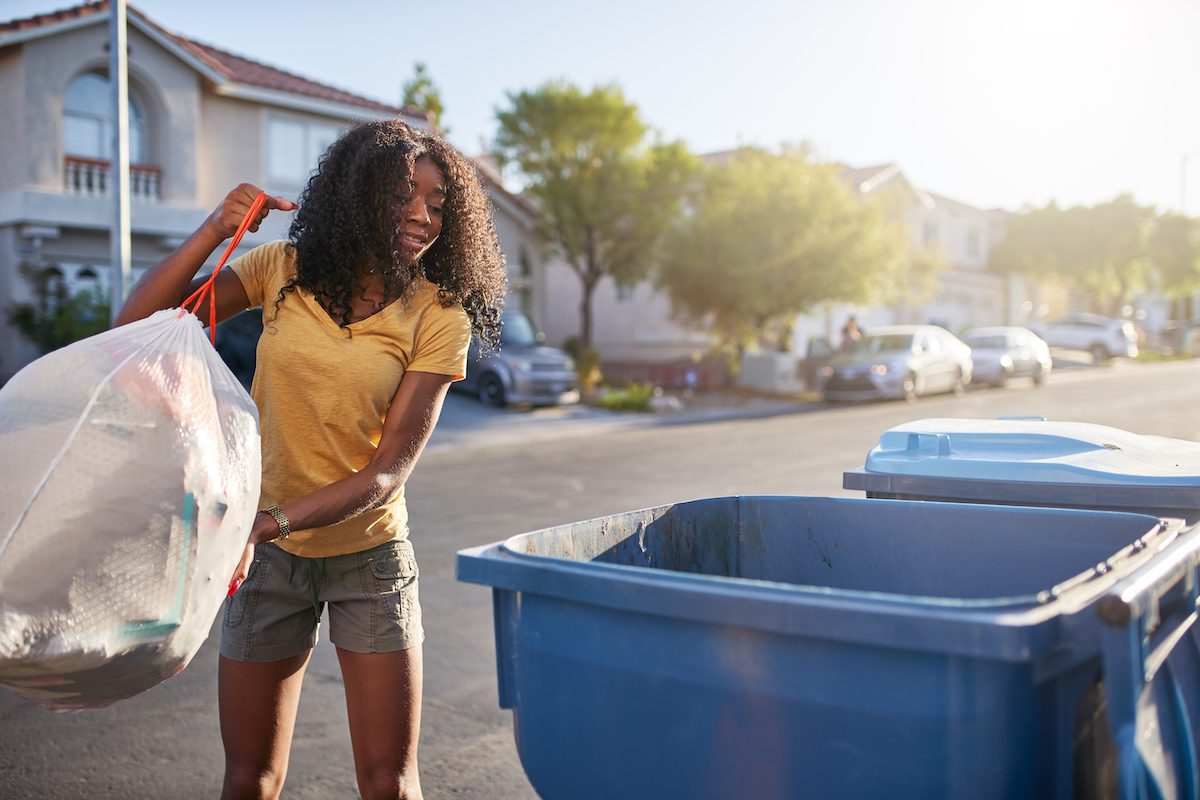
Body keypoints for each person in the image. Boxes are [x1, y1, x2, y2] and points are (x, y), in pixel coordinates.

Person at [115, 120, 507, 800]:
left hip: (370, 559)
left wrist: (266, 524)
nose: (422, 216)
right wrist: (214, 228)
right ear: (358, 197)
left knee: (389, 782)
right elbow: (137, 329)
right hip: (266, 565)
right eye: (403, 196)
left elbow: (387, 471)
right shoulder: (282, 272)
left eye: (437, 204)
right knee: (251, 778)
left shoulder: (440, 316)